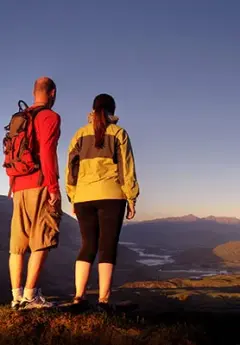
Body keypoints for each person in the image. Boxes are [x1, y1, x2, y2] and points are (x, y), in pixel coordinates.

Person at [66, 93, 139, 308]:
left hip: (83, 197)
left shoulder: (79, 134)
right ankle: (103, 301)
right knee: (107, 247)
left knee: (87, 245)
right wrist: (131, 198)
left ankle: (79, 297)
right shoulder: (119, 134)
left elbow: (71, 170)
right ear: (113, 111)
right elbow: (127, 169)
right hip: (111, 196)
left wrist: (73, 196)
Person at [8, 77, 61, 309]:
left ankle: (16, 297)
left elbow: (10, 153)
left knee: (17, 245)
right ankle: (30, 297)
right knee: (42, 238)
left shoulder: (19, 118)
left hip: (18, 185)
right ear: (52, 93)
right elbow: (48, 153)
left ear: (33, 93)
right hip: (39, 184)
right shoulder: (50, 117)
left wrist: (12, 184)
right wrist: (53, 188)